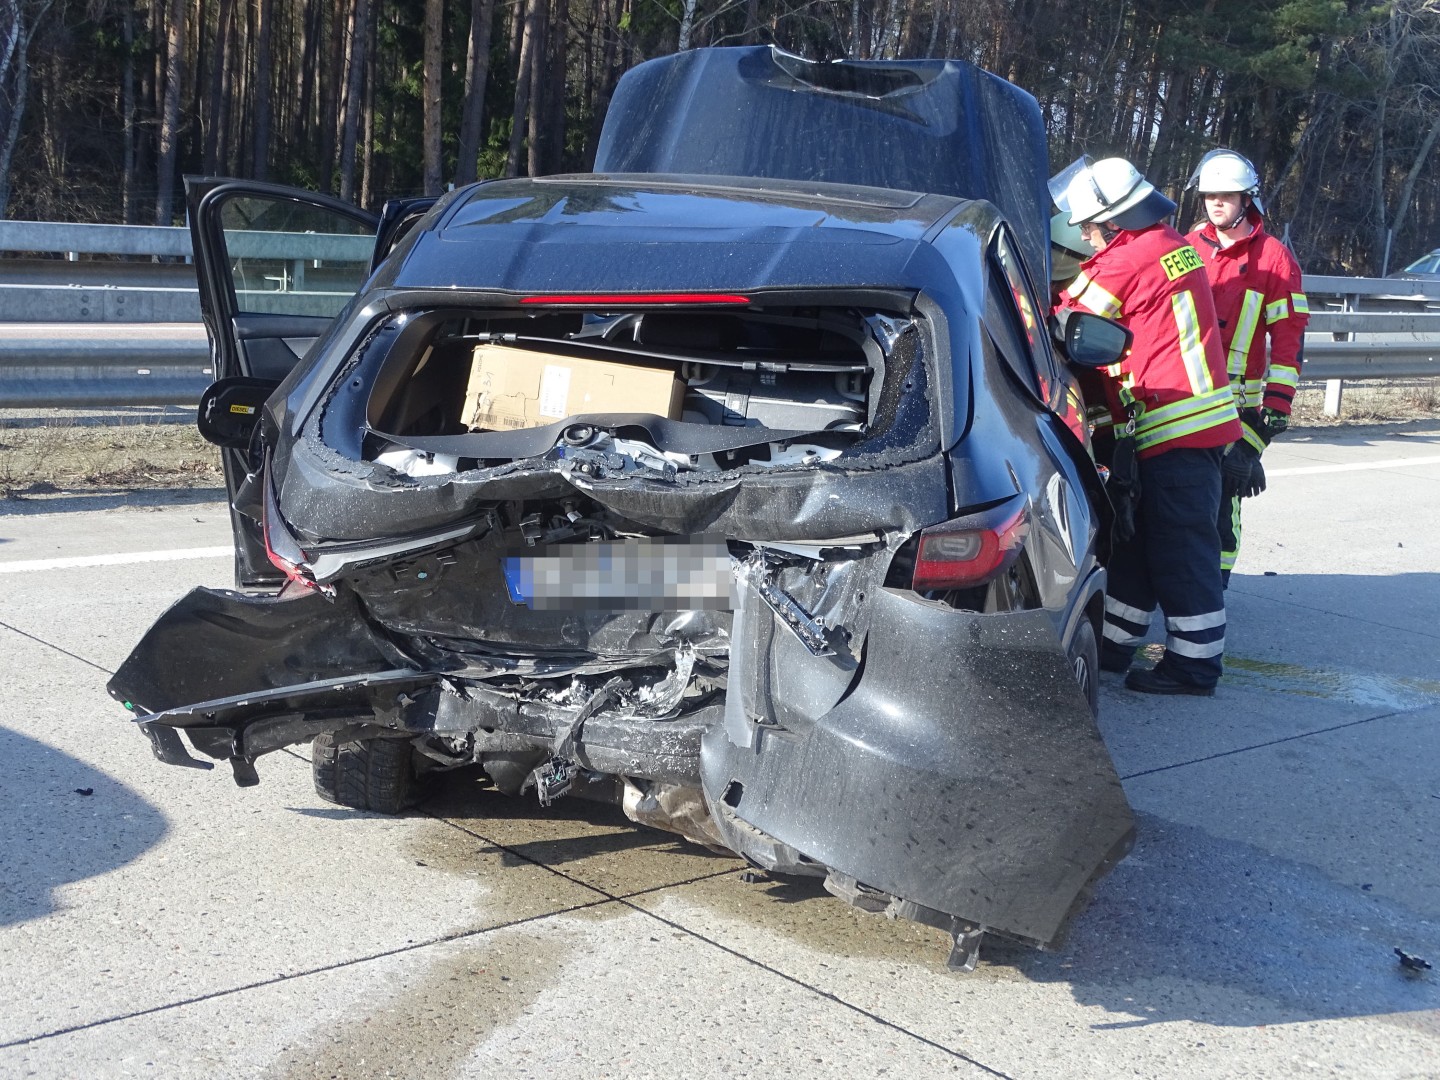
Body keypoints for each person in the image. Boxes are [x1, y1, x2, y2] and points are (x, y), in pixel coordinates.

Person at [1054, 157, 1241, 696]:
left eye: (1088, 227)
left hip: (1171, 425)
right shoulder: (1170, 244)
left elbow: (1062, 323)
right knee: (1138, 543)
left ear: (1114, 220)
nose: (1083, 237)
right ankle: (1114, 646)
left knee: (1181, 553)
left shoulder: (1127, 259)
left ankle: (1194, 668)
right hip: (1181, 424)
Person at [1185, 149, 1309, 585]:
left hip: (1235, 409)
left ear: (1247, 199)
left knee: (1223, 503)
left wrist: (1259, 435)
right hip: (1180, 399)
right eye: (1209, 195)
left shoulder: (1274, 259)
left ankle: (1213, 591)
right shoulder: (1187, 248)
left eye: (1226, 195)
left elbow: (1289, 344)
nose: (1216, 203)